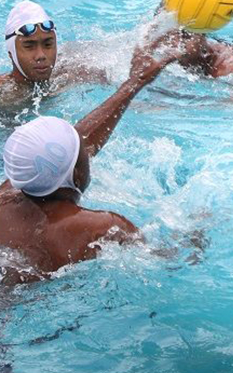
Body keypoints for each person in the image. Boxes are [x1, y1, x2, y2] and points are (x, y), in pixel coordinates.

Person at [0, 34, 187, 284]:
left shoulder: (10, 190)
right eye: (84, 155)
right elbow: (172, 262)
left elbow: (81, 139)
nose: (89, 151)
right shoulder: (103, 227)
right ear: (76, 173)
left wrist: (135, 82)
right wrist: (199, 229)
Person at [0, 0, 108, 108]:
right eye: (29, 46)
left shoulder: (70, 73)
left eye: (48, 44)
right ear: (11, 53)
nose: (41, 55)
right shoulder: (4, 96)